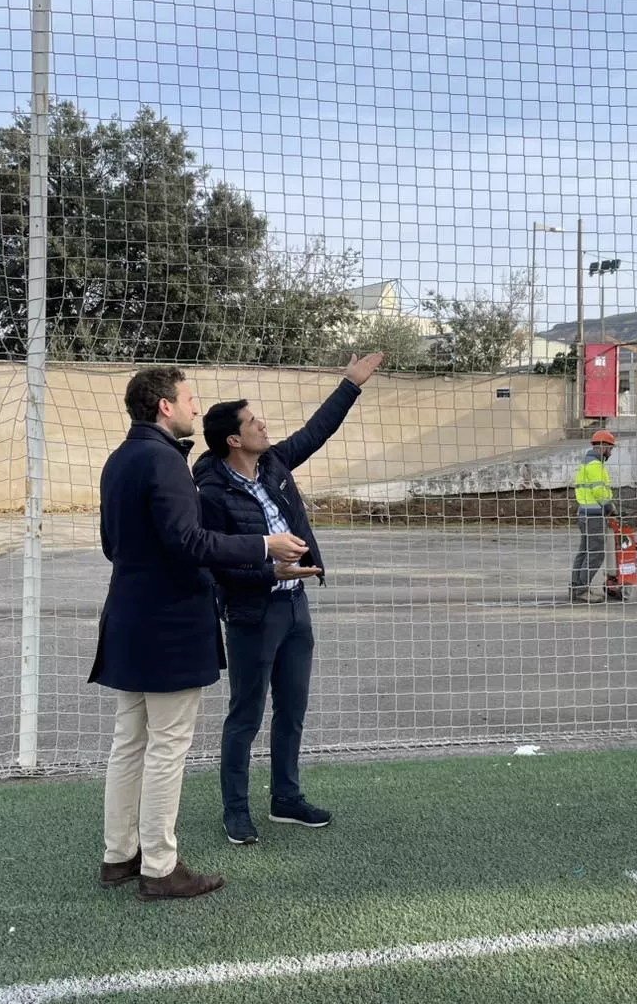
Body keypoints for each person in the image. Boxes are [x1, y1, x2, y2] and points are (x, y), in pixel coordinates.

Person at [89, 365, 311, 901]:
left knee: (131, 742)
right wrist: (265, 546)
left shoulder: (120, 459)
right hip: (169, 625)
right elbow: (189, 543)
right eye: (189, 399)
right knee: (165, 746)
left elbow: (112, 546)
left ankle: (119, 856)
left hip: (128, 617)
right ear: (165, 406)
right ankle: (160, 868)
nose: (195, 407)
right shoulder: (163, 461)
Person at [193, 352, 385, 845]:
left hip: (295, 604)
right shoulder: (212, 491)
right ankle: (235, 810)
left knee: (292, 709)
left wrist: (350, 384)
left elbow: (315, 432)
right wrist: (265, 570)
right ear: (234, 440)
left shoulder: (274, 463)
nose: (263, 424)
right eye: (253, 422)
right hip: (252, 612)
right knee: (245, 715)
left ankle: (286, 799)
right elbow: (214, 559)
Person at [570, 429, 618, 603]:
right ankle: (582, 590)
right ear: (603, 446)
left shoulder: (587, 463)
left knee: (584, 552)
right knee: (596, 553)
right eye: (610, 449)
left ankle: (576, 588)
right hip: (593, 516)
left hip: (585, 513)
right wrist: (609, 507)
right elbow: (598, 490)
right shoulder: (595, 465)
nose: (611, 453)